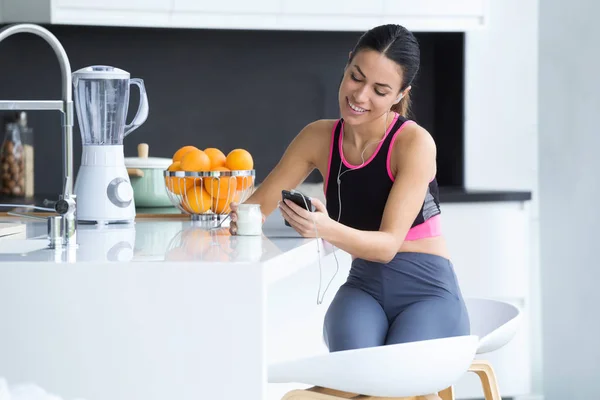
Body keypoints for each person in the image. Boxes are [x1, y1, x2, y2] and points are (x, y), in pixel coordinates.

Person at [229, 24, 470, 353]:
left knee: (392, 378)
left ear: (400, 94)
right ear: (347, 64)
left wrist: (324, 228)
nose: (360, 96)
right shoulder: (318, 137)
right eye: (357, 77)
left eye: (380, 90)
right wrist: (230, 215)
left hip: (426, 291)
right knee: (352, 369)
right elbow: (254, 209)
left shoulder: (414, 143)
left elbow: (387, 247)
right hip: (364, 287)